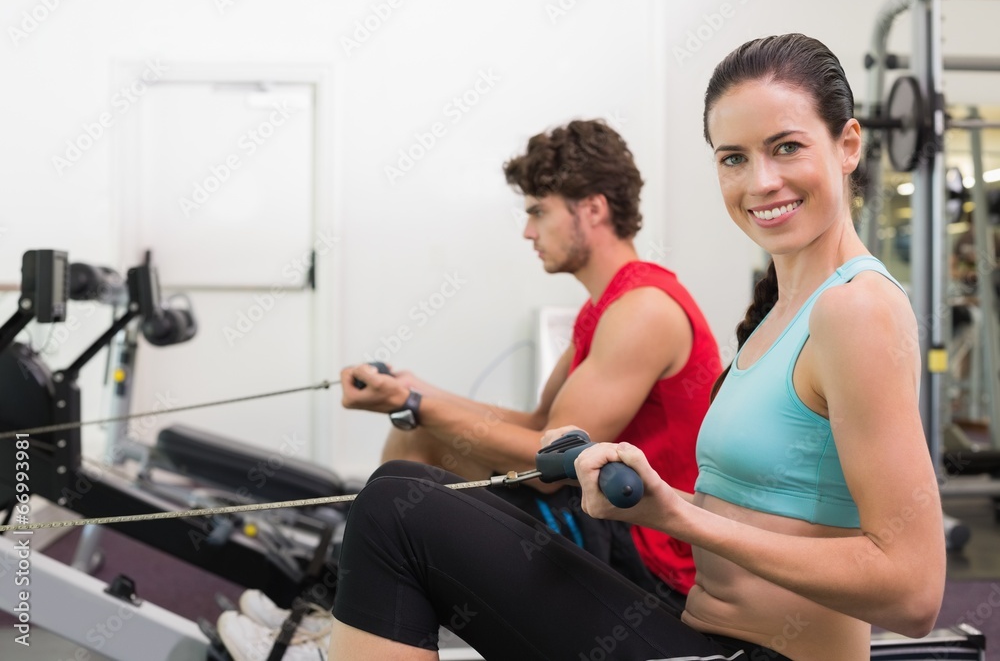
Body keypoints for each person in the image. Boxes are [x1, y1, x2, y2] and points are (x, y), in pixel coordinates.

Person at [326, 34, 946, 661]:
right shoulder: (780, 313)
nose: (761, 181)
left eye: (787, 147)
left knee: (392, 514)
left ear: (847, 145)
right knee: (400, 488)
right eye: (733, 158)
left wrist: (677, 520)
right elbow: (755, 509)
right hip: (701, 632)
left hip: (755, 653)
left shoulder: (856, 307)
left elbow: (914, 592)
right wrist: (659, 499)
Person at [340, 119, 721, 600]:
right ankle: (360, 615)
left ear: (593, 209)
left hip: (651, 559)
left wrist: (415, 406)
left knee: (417, 450)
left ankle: (357, 621)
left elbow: (549, 470)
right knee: (415, 437)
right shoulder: (607, 306)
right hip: (608, 519)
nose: (527, 231)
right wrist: (415, 389)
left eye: (539, 212)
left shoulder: (644, 310)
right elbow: (544, 423)